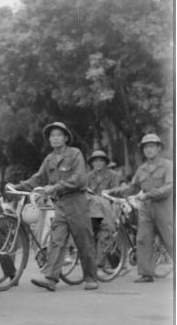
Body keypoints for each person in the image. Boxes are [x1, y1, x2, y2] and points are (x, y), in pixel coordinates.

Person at [10, 122, 98, 291]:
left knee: (83, 241)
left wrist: (55, 187)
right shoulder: (49, 159)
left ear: (65, 138)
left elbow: (79, 178)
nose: (55, 138)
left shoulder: (75, 154)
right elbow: (37, 178)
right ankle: (51, 278)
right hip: (60, 204)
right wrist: (18, 186)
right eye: (52, 135)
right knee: (56, 241)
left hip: (77, 201)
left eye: (59, 135)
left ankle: (90, 277)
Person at [105, 134, 173, 283]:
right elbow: (132, 187)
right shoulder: (141, 169)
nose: (148, 150)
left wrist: (149, 194)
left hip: (164, 207)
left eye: (151, 146)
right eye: (146, 147)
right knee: (143, 238)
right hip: (145, 209)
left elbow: (169, 186)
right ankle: (146, 273)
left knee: (170, 239)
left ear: (159, 148)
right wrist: (112, 191)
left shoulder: (168, 165)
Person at [86, 150, 120, 269]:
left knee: (105, 230)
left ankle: (99, 262)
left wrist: (109, 192)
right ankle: (94, 259)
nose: (98, 163)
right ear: (92, 163)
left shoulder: (113, 175)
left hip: (109, 206)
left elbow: (117, 190)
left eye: (101, 161)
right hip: (93, 208)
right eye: (95, 161)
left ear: (105, 163)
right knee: (89, 231)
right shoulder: (89, 176)